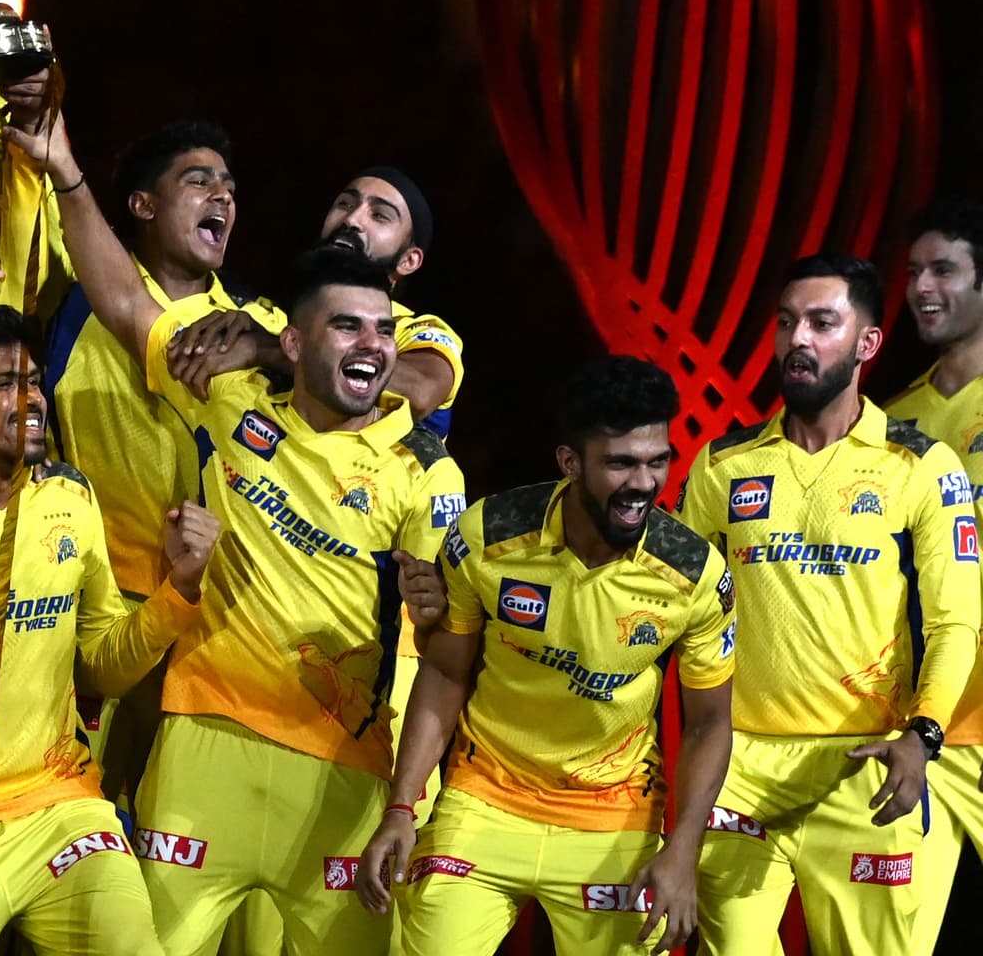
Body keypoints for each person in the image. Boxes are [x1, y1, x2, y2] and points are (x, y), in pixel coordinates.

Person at [7, 114, 466, 955]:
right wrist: (65, 169)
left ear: (408, 272)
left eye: (382, 211)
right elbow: (125, 303)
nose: (368, 343)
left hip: (349, 743)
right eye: (347, 201)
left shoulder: (421, 446)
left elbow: (425, 386)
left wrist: (404, 798)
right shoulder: (235, 395)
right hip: (201, 720)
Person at [0, 303, 216, 954]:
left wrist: (180, 591)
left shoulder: (69, 497)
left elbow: (101, 665)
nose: (31, 399)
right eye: (3, 384)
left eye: (33, 380)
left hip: (60, 805)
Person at [358, 356, 734, 955]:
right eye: (620, 463)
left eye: (656, 460)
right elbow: (446, 671)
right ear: (569, 462)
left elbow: (710, 722)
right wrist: (402, 806)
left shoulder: (693, 573)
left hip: (613, 816)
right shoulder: (488, 535)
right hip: (483, 799)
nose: (643, 483)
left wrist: (682, 848)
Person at [682, 254, 981, 954]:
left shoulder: (921, 467)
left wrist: (924, 734)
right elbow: (667, 607)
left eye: (822, 322)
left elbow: (956, 623)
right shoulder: (722, 466)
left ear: (867, 343)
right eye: (787, 323)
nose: (798, 340)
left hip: (868, 767)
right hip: (740, 774)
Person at [164, 167, 464, 436]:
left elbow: (421, 391)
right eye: (345, 204)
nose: (352, 219)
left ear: (409, 260)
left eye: (379, 215)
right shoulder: (266, 317)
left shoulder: (415, 331)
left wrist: (264, 349)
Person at [883, 196, 983, 947]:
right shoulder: (894, 425)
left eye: (943, 268)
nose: (921, 286)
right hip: (931, 732)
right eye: (914, 271)